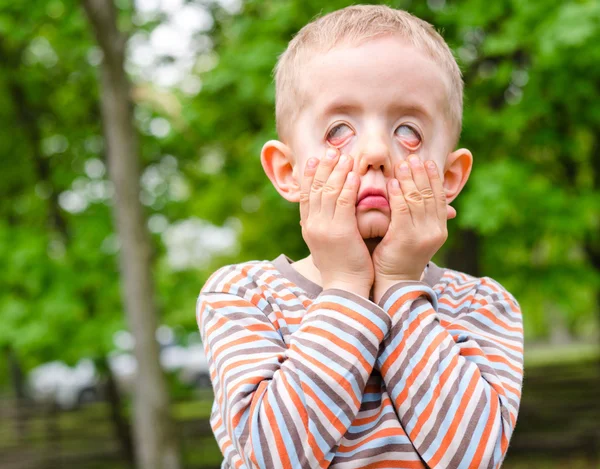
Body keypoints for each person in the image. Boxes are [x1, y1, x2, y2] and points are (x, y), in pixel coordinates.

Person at [196, 5, 524, 468]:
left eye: (408, 130)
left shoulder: (483, 306)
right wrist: (347, 284)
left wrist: (398, 283)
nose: (374, 151)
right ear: (287, 172)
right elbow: (273, 457)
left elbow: (471, 457)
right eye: (339, 130)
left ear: (450, 177)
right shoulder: (243, 296)